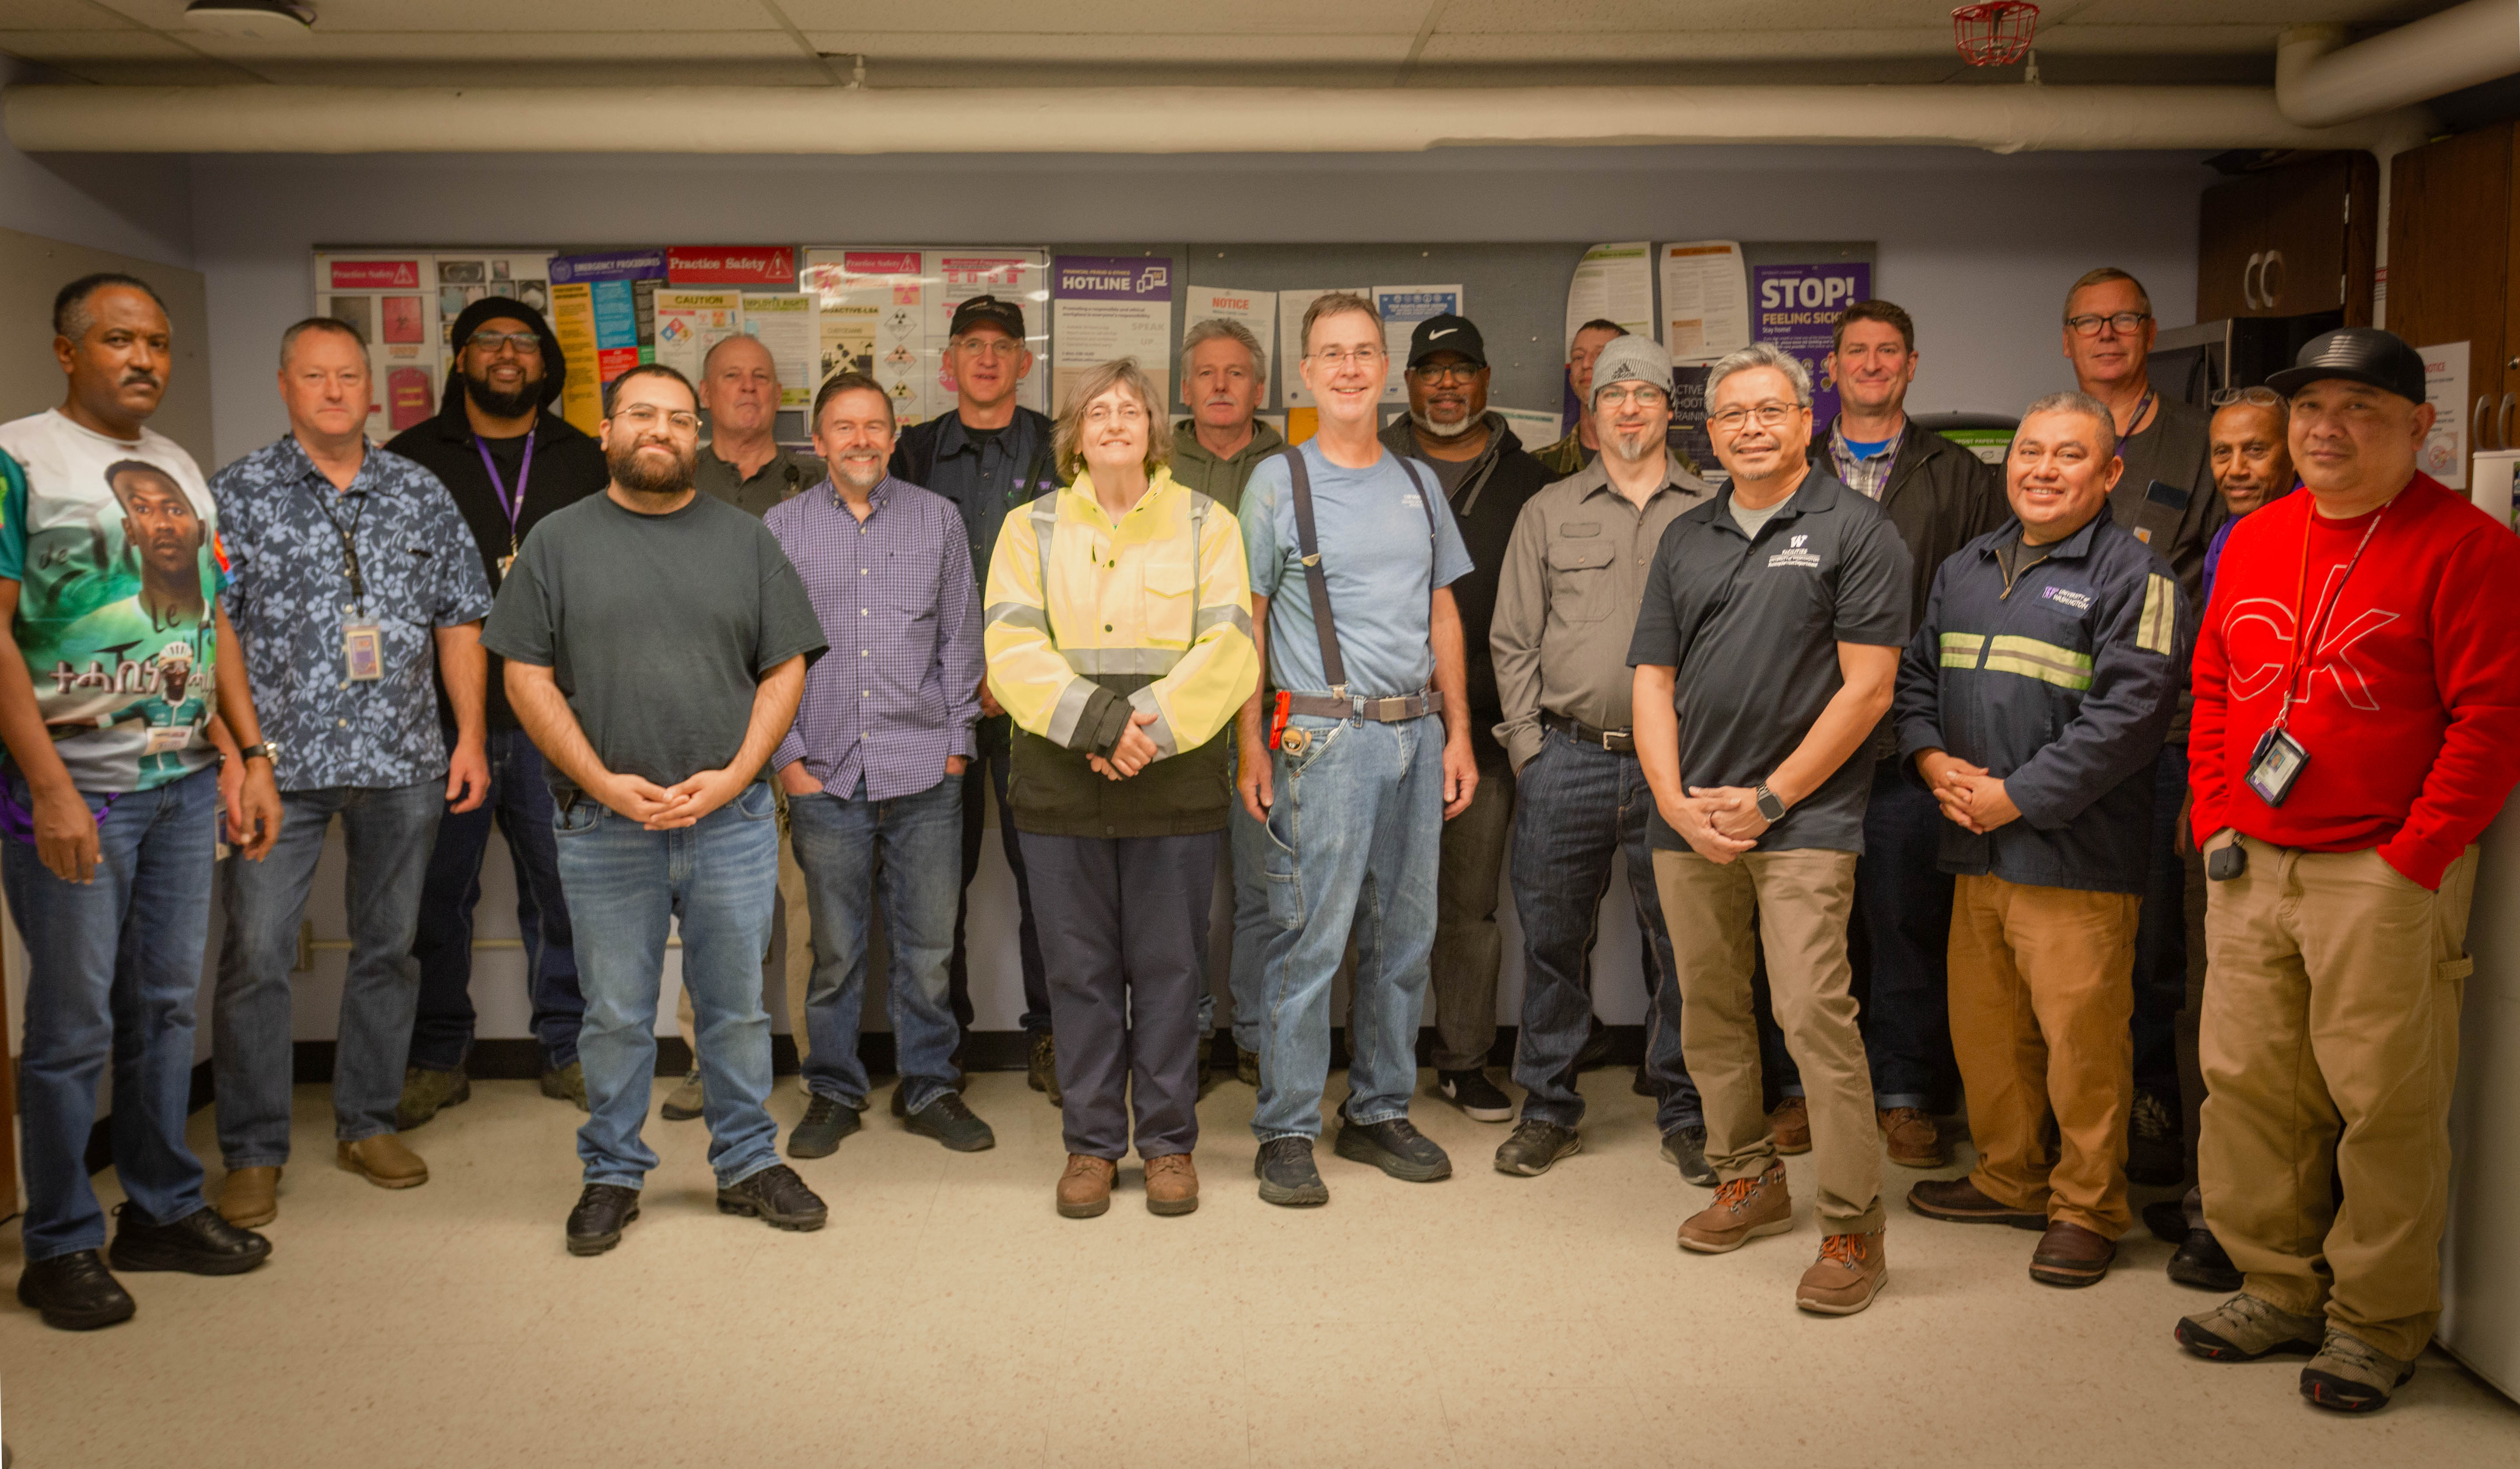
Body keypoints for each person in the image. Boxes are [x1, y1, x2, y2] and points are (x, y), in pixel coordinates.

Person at [2175, 329, 2520, 1412]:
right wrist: (2213, 810)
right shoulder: (2255, 537)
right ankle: (2275, 1285)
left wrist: (2415, 854)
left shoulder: (2466, 546)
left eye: (2358, 409)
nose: (2324, 429)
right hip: (2248, 856)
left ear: (2419, 426)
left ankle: (2375, 1319)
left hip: (2379, 865)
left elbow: (2490, 719)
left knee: (2382, 1102)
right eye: (2310, 408)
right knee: (2246, 1084)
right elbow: (2214, 683)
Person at [484, 363, 831, 1256]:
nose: (661, 430)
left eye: (679, 419)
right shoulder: (558, 542)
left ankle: (749, 1161)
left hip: (732, 820)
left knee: (735, 1009)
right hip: (606, 825)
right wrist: (600, 779)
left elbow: (784, 664)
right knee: (613, 1011)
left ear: (699, 437)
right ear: (607, 430)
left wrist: (739, 773)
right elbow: (523, 672)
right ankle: (611, 1171)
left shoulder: (745, 542)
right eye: (643, 414)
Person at [0, 273, 283, 1331]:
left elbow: (207, 626)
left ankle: (160, 1208)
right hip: (77, 791)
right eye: (119, 340)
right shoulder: (18, 457)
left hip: (179, 781)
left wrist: (247, 754)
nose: (144, 359)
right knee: (70, 1027)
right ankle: (60, 1240)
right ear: (68, 350)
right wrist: (46, 785)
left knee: (164, 1008)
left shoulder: (174, 465)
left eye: (157, 342)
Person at [1630, 342, 1911, 1316]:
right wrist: (1672, 800)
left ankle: (1853, 1223)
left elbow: (1869, 688)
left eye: (1769, 409)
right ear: (1708, 435)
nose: (1750, 426)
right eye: (1731, 415)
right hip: (1691, 818)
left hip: (1805, 819)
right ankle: (1746, 1173)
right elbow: (1652, 680)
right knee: (1707, 1010)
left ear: (1805, 420)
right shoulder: (1686, 536)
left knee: (1812, 1015)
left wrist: (1771, 800)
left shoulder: (1856, 530)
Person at [1897, 392, 2186, 1288]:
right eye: (2030, 452)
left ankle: (2088, 1206)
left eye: (2070, 456)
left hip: (2075, 853)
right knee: (1989, 1032)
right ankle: (2010, 1174)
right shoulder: (1965, 569)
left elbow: (2131, 719)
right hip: (1973, 844)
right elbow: (1916, 679)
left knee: (2082, 1041)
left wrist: (2015, 797)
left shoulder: (2145, 579)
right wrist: (1933, 761)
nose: (2044, 469)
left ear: (2109, 475)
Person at [209, 317, 494, 1226]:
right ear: (285, 384)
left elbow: (461, 621)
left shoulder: (419, 490)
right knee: (256, 954)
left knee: (389, 947)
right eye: (315, 376)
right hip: (276, 766)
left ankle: (366, 1119)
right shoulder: (240, 492)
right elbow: (208, 630)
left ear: (370, 389)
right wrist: (236, 754)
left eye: (348, 377)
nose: (334, 392)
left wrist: (472, 737)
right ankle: (254, 1148)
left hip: (404, 759)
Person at [986, 357, 1259, 1218]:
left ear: (1152, 429)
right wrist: (1104, 728)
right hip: (1062, 790)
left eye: (1129, 409)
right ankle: (1093, 1144)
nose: (1112, 421)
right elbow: (1012, 651)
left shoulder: (1208, 523)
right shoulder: (1026, 529)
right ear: (1074, 432)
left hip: (1171, 787)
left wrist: (1140, 732)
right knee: (1080, 973)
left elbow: (1231, 650)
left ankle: (1171, 1142)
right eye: (1096, 410)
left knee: (1174, 971)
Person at [1236, 291, 1478, 1207]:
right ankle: (1288, 1126)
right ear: (1306, 372)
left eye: (1364, 352)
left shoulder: (1418, 482)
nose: (1348, 367)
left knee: (1405, 937)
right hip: (1322, 736)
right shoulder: (1277, 482)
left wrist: (1458, 730)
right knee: (1311, 938)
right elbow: (1247, 624)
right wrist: (1251, 748)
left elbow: (1442, 609)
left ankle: (1378, 1109)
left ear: (1385, 369)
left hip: (1416, 733)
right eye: (1330, 353)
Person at [1759, 300, 2006, 1169]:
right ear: (1830, 368)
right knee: (1800, 927)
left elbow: (1980, 600)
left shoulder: (1959, 474)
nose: (1871, 363)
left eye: (1887, 350)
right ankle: (1796, 1087)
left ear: (1911, 364)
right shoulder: (1787, 466)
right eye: (1855, 351)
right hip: (1799, 733)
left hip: (1907, 732)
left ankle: (1907, 1095)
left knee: (1905, 919)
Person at [1488, 332, 1714, 1180]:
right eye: (1614, 394)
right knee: (1552, 940)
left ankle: (1685, 1108)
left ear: (1667, 408)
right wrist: (1528, 751)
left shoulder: (1712, 510)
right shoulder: (1548, 512)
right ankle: (1548, 1106)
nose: (1629, 407)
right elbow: (1512, 638)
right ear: (1593, 411)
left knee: (1683, 942)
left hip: (1679, 766)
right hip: (1567, 759)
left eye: (1646, 394)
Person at [385, 295, 605, 1126]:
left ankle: (568, 1045)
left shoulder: (586, 460)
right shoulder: (410, 460)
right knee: (438, 894)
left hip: (561, 716)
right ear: (460, 358)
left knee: (564, 890)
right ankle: (438, 1053)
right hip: (445, 721)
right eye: (489, 342)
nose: (507, 356)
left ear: (546, 365)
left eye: (523, 343)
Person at [766, 371, 990, 1159]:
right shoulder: (782, 526)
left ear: (895, 439)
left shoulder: (937, 521)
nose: (861, 439)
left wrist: (958, 748)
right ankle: (833, 1088)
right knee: (835, 950)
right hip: (823, 770)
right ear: (819, 440)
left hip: (927, 768)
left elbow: (962, 639)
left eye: (875, 426)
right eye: (843, 426)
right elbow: (765, 650)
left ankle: (929, 1085)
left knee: (928, 947)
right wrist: (788, 759)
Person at [2062, 266, 2224, 1186]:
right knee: (2079, 944)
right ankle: (2079, 1127)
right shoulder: (2051, 435)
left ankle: (2159, 1127)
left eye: (2124, 319)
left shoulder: (2202, 444)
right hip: (2058, 739)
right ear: (2068, 340)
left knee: (2159, 946)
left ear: (2151, 331)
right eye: (2091, 322)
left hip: (2162, 739)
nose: (2109, 334)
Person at [1375, 313, 1550, 1121]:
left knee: (1470, 908)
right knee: (1370, 901)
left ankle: (1466, 1059)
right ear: (1406, 382)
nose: (1446, 384)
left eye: (1463, 369)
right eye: (1430, 370)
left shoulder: (1534, 484)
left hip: (1483, 729)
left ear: (1486, 380)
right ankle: (1376, 1065)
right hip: (1376, 723)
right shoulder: (1366, 467)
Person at [2147, 385, 2300, 1294]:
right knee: (2210, 1008)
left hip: (2314, 827)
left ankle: (2240, 1219)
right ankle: (2216, 1201)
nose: (2240, 469)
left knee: (2266, 1032)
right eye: (2225, 454)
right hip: (2227, 803)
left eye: (2258, 450)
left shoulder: (2325, 533)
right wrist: (2203, 794)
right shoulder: (2233, 542)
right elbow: (2214, 680)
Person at [889, 294, 1062, 1098]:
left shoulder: (1063, 447)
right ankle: (940, 1050)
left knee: (1051, 877)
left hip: (1039, 704)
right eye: (971, 345)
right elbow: (888, 576)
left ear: (1025, 362)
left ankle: (1055, 1038)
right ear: (948, 361)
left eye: (1003, 346)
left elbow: (1079, 571)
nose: (987, 359)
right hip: (937, 704)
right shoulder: (912, 453)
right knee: (933, 883)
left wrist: (1016, 673)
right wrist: (962, 679)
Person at [662, 333, 831, 1121]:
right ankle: (708, 1063)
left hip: (797, 727)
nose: (749, 388)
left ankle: (813, 1063)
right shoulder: (670, 483)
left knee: (808, 914)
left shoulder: (813, 482)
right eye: (733, 376)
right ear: (705, 392)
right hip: (701, 726)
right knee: (717, 915)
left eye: (762, 377)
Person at [1172, 317, 1285, 1087]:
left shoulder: (1296, 467)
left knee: (1264, 887)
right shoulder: (1148, 458)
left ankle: (1253, 1034)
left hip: (1269, 704)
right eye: (1206, 373)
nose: (1220, 385)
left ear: (1260, 387)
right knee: (1172, 893)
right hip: (1170, 704)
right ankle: (1185, 1033)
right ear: (1184, 388)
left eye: (1236, 373)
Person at [2200, 386, 2297, 595]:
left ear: (2294, 454)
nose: (2235, 470)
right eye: (2223, 452)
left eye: (2255, 450)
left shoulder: (2320, 532)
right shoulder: (2225, 539)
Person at [1531, 318, 1626, 476]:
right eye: (1578, 357)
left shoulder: (1665, 465)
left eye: (1601, 354)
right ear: (1571, 379)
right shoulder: (1538, 466)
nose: (1587, 364)